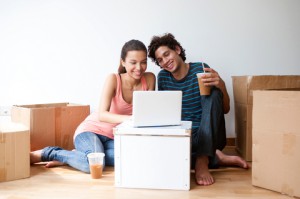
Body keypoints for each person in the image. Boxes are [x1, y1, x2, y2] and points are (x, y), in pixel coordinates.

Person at [30, 39, 156, 173]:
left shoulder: (149, 79)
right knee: (95, 165)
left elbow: (147, 113)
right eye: (133, 62)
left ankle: (78, 156)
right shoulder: (114, 79)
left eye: (143, 62)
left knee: (132, 157)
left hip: (115, 136)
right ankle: (51, 153)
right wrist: (130, 119)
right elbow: (102, 115)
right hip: (91, 131)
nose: (139, 67)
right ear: (123, 62)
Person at [148, 33, 248, 186]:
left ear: (177, 50)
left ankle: (202, 159)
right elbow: (166, 115)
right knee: (167, 159)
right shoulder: (163, 78)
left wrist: (221, 84)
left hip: (210, 135)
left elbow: (226, 109)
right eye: (160, 60)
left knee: (214, 93)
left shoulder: (201, 68)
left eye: (166, 54)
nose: (165, 62)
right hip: (185, 136)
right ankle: (215, 158)